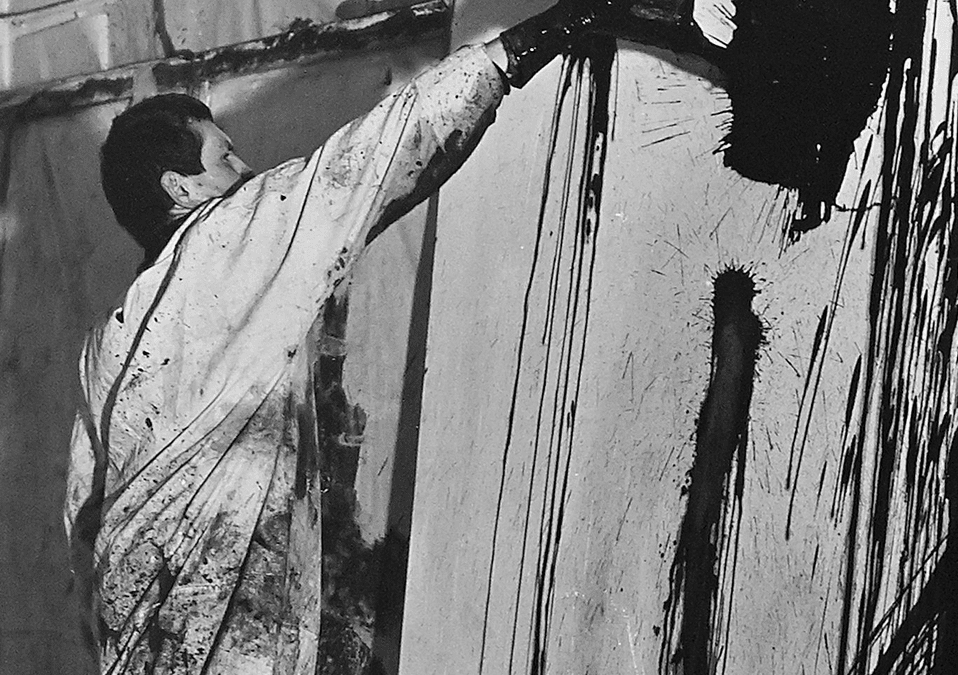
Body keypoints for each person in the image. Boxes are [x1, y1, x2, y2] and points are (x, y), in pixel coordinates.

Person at [62, 2, 705, 672]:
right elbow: (377, 154)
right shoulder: (227, 242)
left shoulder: (102, 347)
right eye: (225, 156)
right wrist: (536, 36)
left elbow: (82, 520)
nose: (246, 169)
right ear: (180, 187)